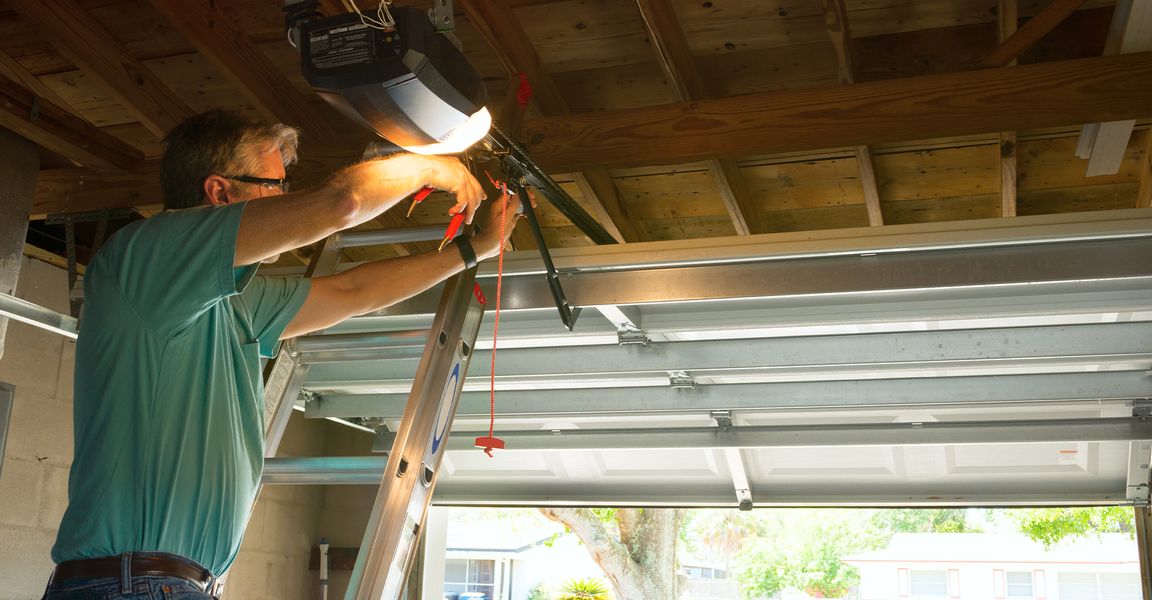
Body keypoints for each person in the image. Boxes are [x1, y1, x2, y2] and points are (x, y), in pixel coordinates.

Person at [42, 109, 524, 599]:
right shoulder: (146, 259)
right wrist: (430, 166)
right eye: (273, 185)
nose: (285, 198)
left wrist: (474, 250)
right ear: (220, 192)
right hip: (135, 583)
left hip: (158, 583)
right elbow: (341, 202)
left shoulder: (233, 300)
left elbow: (351, 291)